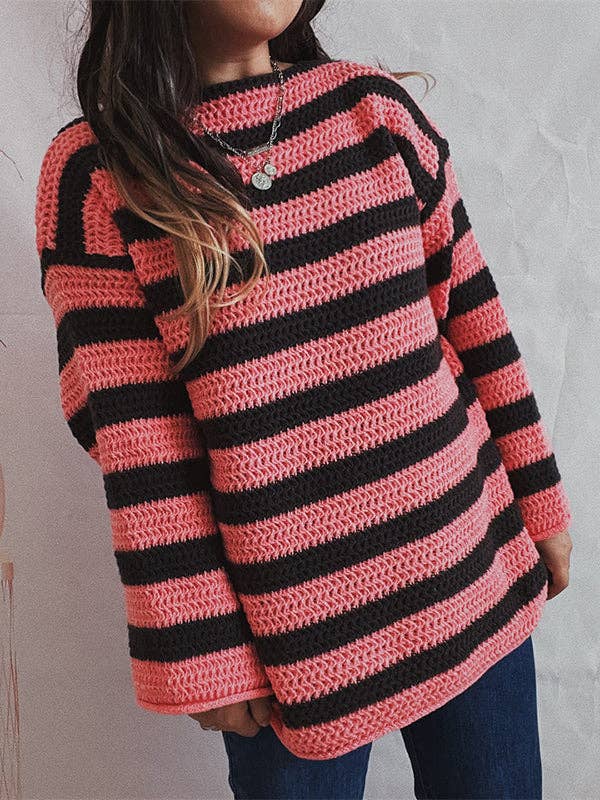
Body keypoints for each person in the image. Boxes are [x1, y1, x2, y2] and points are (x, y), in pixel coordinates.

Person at [34, 1, 573, 798]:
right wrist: (202, 647)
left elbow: (475, 323)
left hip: (470, 572)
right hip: (286, 640)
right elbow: (138, 444)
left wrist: (540, 500)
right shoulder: (100, 175)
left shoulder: (374, 112)